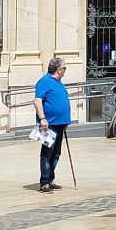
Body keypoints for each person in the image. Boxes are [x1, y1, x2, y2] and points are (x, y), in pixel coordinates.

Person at [33, 57, 71, 193]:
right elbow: (38, 100)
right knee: (47, 153)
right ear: (59, 69)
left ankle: (50, 179)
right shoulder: (45, 81)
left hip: (60, 124)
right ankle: (44, 182)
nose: (65, 70)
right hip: (48, 124)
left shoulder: (59, 82)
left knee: (56, 154)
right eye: (64, 68)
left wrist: (65, 121)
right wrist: (43, 119)